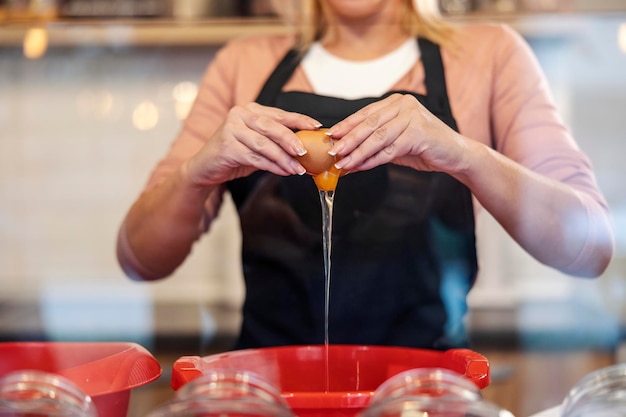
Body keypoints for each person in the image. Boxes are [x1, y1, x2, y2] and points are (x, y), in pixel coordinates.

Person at [117, 0, 615, 350]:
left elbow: (590, 247)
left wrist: (463, 154)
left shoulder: (489, 55)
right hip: (271, 392)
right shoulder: (243, 63)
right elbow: (139, 259)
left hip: (423, 397)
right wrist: (196, 174)